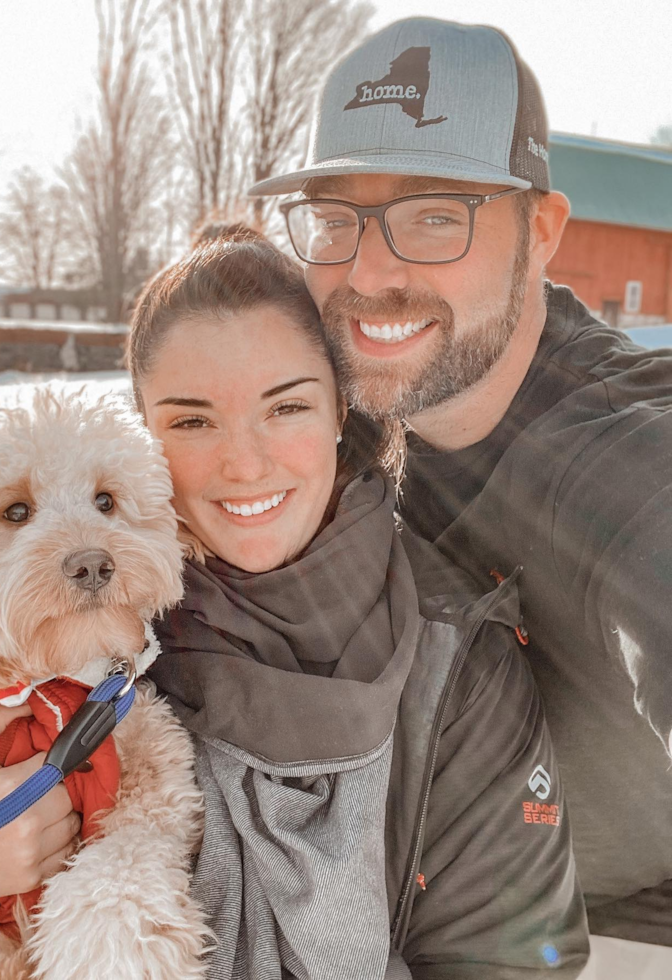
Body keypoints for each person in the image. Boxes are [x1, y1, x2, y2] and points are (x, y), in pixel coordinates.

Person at [247, 16, 672, 951]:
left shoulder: (628, 464)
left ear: (543, 232)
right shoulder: (315, 412)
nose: (369, 270)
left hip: (606, 936)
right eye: (336, 218)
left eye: (436, 215)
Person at [128, 223, 587, 978]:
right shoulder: (91, 641)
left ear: (341, 409)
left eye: (286, 408)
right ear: (143, 434)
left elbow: (514, 961)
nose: (244, 462)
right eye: (191, 420)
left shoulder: (456, 658)